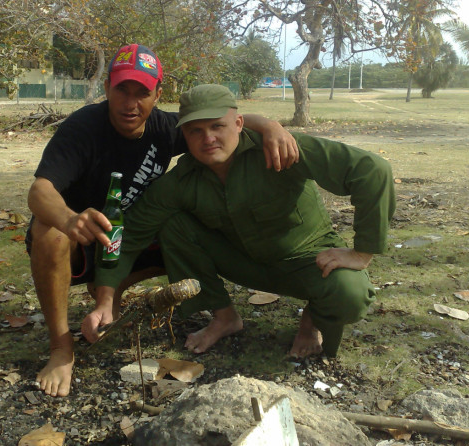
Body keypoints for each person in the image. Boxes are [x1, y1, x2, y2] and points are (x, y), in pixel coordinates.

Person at [27, 45, 299, 397]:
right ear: (107, 87)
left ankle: (112, 292)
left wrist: (272, 127)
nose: (130, 103)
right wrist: (70, 219)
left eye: (142, 93)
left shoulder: (165, 128)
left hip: (129, 238)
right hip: (82, 239)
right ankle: (61, 349)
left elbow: (226, 120)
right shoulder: (83, 128)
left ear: (158, 94)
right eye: (122, 90)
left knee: (182, 225)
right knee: (47, 230)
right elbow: (39, 191)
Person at [82, 84, 395, 359]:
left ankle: (312, 321)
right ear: (184, 136)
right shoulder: (180, 182)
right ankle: (224, 317)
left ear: (239, 124)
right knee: (174, 224)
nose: (208, 138)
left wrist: (362, 252)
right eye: (195, 131)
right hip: (243, 263)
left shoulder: (279, 147)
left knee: (351, 294)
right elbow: (127, 237)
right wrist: (105, 302)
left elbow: (372, 170)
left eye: (217, 126)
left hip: (306, 260)